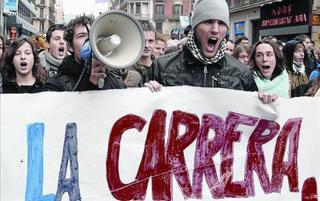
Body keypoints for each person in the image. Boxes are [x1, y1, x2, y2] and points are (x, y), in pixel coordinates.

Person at [43, 14, 125, 91]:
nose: (90, 40)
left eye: (93, 35)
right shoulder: (56, 85)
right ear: (70, 46)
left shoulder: (115, 80)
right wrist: (89, 85)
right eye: (82, 36)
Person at [123, 21, 156, 87]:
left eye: (150, 41)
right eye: (143, 41)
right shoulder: (124, 68)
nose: (146, 45)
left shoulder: (160, 66)